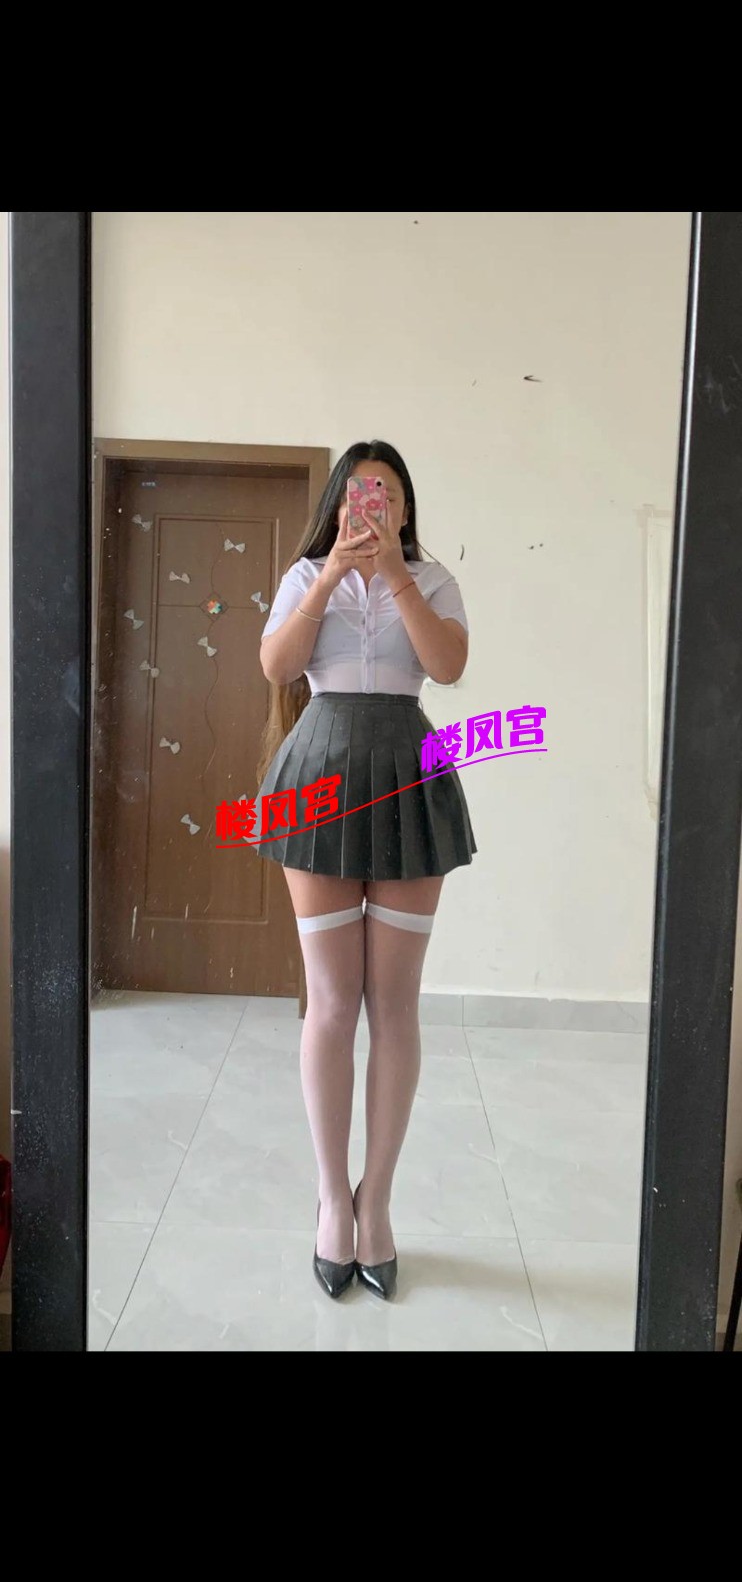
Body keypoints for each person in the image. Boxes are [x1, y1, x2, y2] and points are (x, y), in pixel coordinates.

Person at [254, 441, 476, 1300]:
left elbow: (447, 667)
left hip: (411, 775)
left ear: (405, 506)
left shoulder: (434, 579)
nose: (371, 505)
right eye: (358, 493)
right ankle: (331, 1202)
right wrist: (331, 577)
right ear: (339, 505)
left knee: (394, 1004)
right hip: (316, 775)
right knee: (332, 1001)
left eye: (386, 493)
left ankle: (375, 1202)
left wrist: (393, 576)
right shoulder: (304, 575)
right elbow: (278, 668)